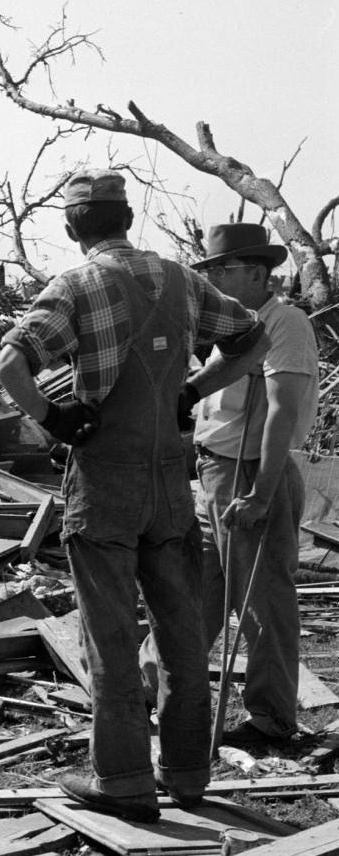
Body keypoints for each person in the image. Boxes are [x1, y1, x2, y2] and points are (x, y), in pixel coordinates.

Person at [0, 169, 268, 822]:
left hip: (105, 484)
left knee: (112, 639)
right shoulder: (180, 279)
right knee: (182, 636)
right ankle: (187, 775)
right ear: (127, 218)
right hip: (170, 482)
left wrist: (54, 418)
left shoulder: (75, 285)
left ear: (73, 228)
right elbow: (251, 337)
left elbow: (10, 363)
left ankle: (122, 780)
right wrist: (192, 391)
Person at [184, 223, 317, 746]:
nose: (213, 278)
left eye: (224, 269)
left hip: (250, 472)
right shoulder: (228, 326)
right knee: (194, 590)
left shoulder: (284, 323)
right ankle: (154, 686)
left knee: (263, 601)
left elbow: (282, 412)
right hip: (213, 470)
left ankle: (271, 719)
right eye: (210, 269)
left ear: (259, 274)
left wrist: (261, 494)